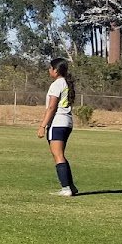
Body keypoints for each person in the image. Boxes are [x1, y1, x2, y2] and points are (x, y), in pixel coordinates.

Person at [38, 57, 79, 197]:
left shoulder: (57, 84)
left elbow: (51, 107)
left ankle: (65, 188)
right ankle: (71, 186)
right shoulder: (66, 83)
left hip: (57, 123)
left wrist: (42, 125)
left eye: (50, 68)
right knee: (60, 154)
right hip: (67, 122)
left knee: (58, 155)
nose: (49, 70)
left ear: (56, 70)